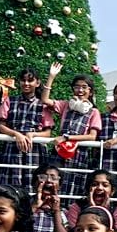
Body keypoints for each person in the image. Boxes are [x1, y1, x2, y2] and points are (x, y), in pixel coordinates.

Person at [41, 65, 102, 196]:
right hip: (59, 152)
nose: (80, 90)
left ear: (90, 91)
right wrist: (51, 77)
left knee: (74, 187)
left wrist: (67, 137)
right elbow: (45, 100)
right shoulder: (66, 105)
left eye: (84, 87)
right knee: (54, 183)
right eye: (77, 87)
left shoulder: (94, 112)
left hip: (79, 154)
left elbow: (92, 136)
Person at [0, 67, 53, 193]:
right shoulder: (10, 101)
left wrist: (33, 134)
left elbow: (48, 133)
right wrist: (16, 134)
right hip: (12, 148)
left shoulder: (43, 105)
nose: (26, 83)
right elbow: (0, 126)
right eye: (23, 80)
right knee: (10, 187)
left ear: (37, 83)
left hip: (35, 150)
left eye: (30, 80)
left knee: (34, 185)